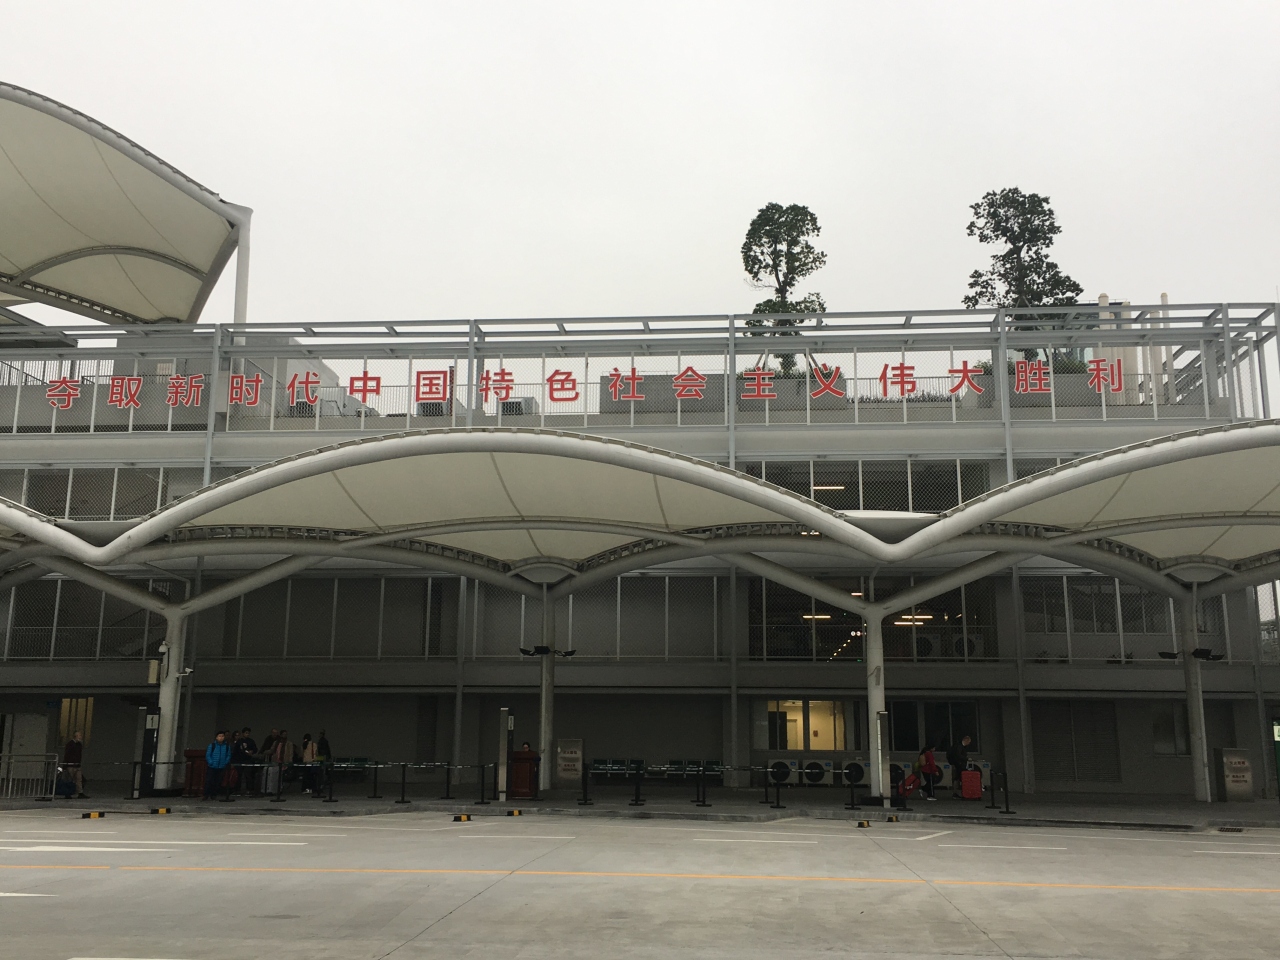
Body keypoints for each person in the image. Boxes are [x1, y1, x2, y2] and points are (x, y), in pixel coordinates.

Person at [204, 731, 232, 800]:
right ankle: (206, 794)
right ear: (216, 737)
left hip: (221, 767)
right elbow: (208, 755)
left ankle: (214, 794)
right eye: (219, 736)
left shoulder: (227, 746)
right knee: (209, 780)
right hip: (212, 766)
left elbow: (228, 755)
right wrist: (211, 762)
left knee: (218, 781)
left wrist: (225, 762)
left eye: (222, 736)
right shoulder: (212, 745)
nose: (221, 738)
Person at [233, 726, 258, 795]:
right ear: (243, 733)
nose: (247, 734)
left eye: (248, 733)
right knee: (238, 775)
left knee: (248, 775)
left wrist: (252, 751)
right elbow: (235, 751)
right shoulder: (239, 741)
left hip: (248, 760)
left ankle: (249, 789)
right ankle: (237, 790)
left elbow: (255, 749)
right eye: (246, 733)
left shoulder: (251, 741)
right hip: (239, 760)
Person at [63, 730, 88, 799]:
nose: (81, 737)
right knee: (70, 779)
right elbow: (67, 754)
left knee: (79, 779)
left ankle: (80, 792)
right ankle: (68, 793)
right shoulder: (70, 744)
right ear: (76, 736)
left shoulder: (79, 745)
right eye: (79, 735)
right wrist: (66, 764)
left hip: (77, 764)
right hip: (70, 765)